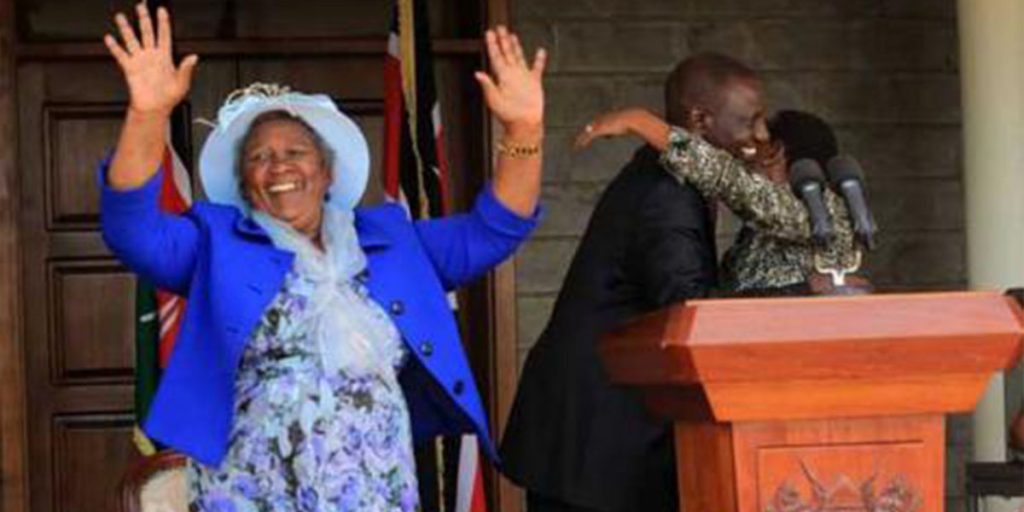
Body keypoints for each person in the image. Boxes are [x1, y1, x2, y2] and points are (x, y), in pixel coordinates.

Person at [99, 4, 546, 509]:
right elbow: (131, 231)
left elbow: (495, 230)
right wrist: (147, 114)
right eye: (260, 157)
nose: (278, 166)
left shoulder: (392, 240)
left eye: (295, 152)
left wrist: (523, 130)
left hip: (373, 481)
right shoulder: (217, 241)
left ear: (328, 172)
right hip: (253, 487)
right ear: (245, 183)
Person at [500, 53, 761, 512]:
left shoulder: (666, 176)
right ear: (699, 120)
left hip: (593, 430)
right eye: (748, 121)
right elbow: (689, 314)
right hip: (598, 439)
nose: (758, 136)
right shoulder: (667, 198)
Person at [576, 107, 863, 296]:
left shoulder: (820, 210)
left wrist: (640, 121)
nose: (742, 150)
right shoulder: (772, 222)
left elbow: (727, 179)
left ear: (775, 152)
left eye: (756, 141)